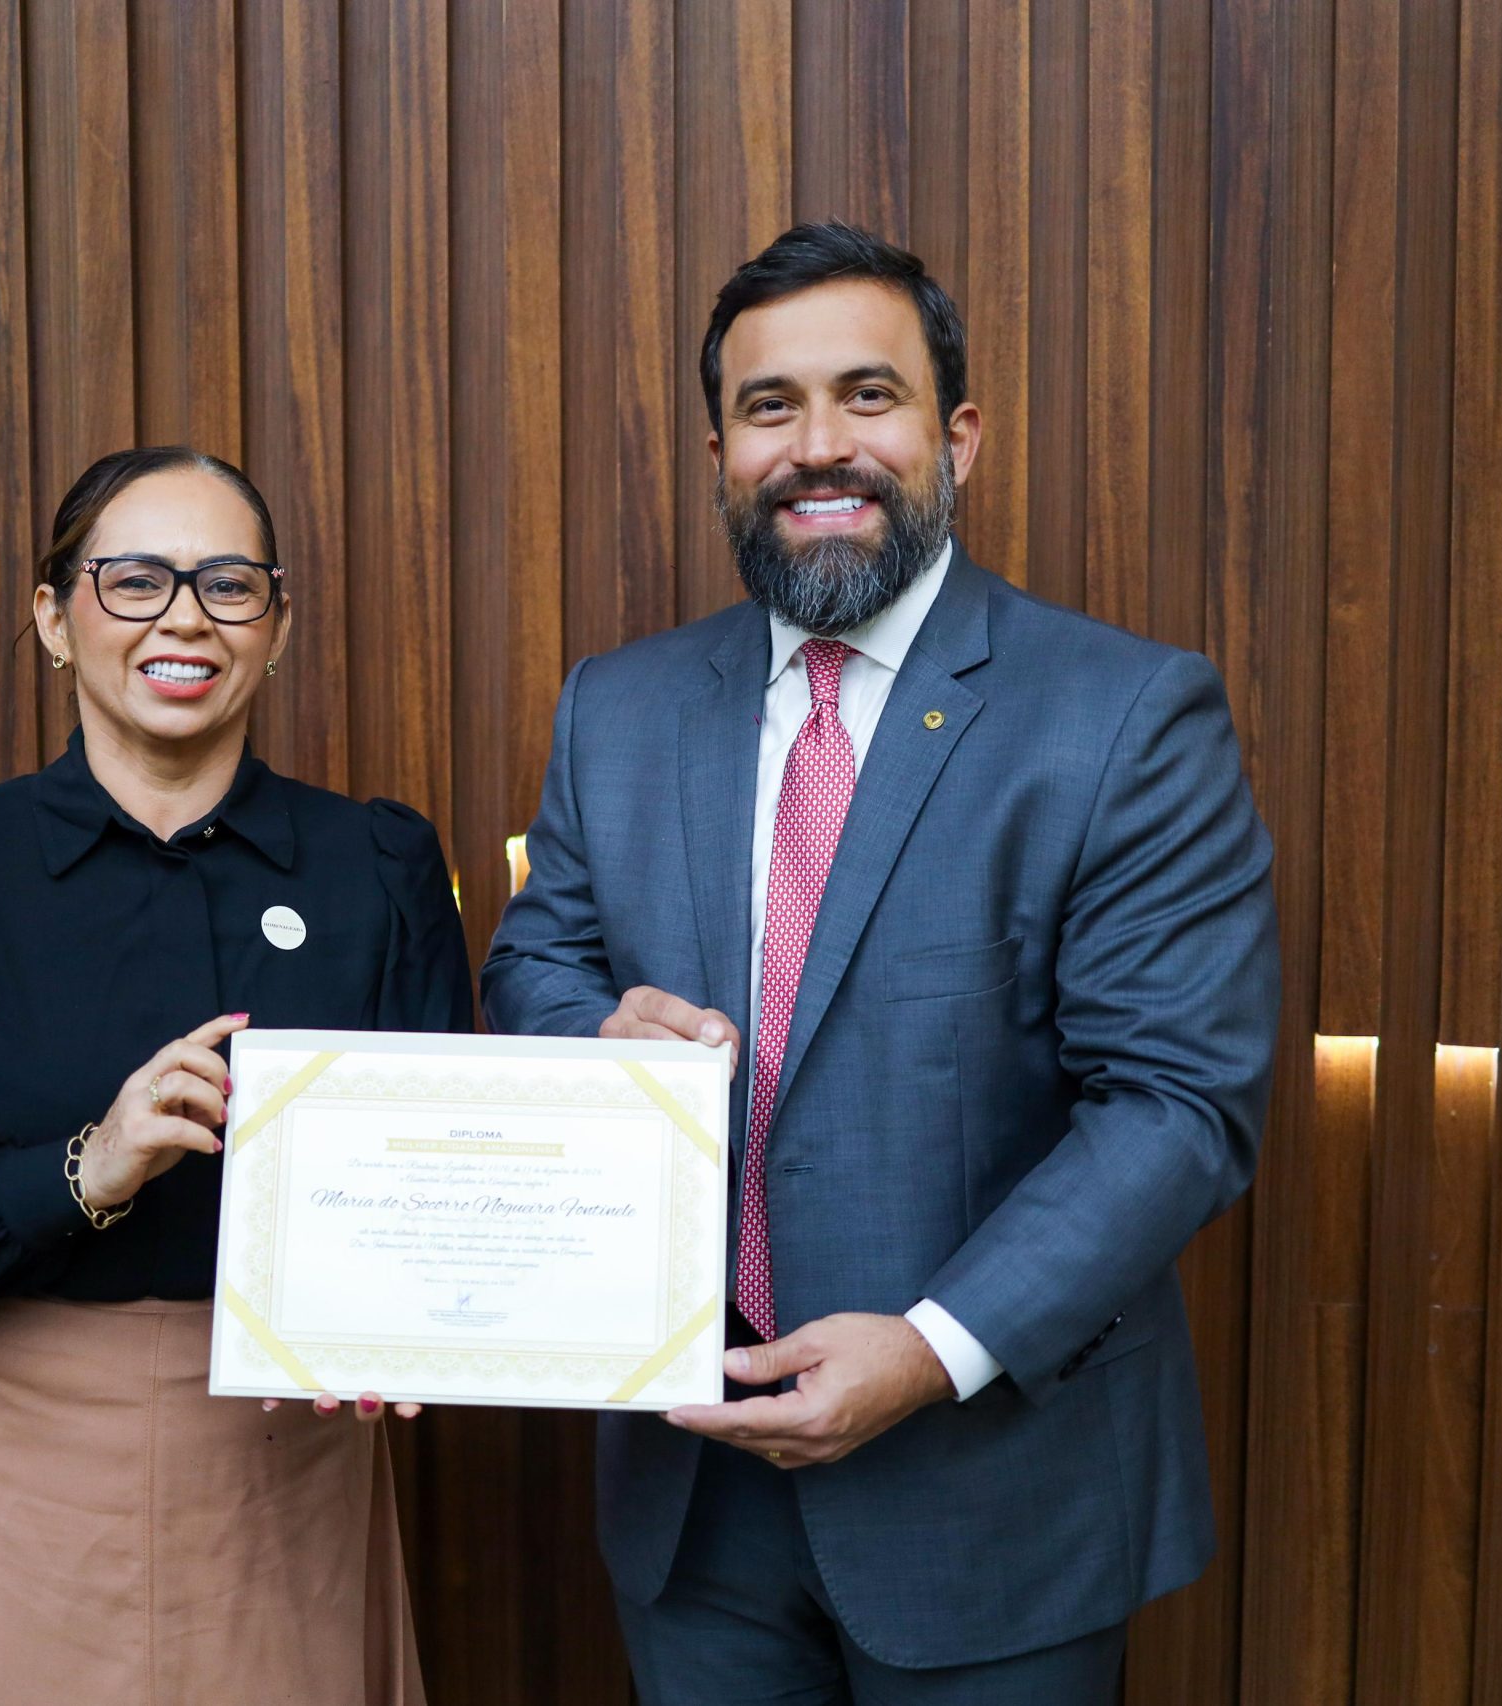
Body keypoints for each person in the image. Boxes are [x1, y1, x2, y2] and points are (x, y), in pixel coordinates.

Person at [481, 222, 1280, 1703]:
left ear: (955, 434)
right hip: (691, 1507)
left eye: (870, 395)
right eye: (771, 407)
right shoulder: (621, 706)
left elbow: (1177, 1103)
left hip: (993, 1499)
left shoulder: (1125, 715)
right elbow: (535, 958)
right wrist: (590, 1031)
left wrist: (930, 1348)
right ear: (720, 446)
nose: (819, 445)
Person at [0, 446, 465, 1704]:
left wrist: (423, 1316)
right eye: (133, 578)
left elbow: (440, 1176)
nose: (183, 616)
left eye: (227, 584)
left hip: (285, 1476)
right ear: (54, 618)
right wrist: (86, 1168)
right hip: (4, 1464)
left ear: (275, 628)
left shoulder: (374, 862)